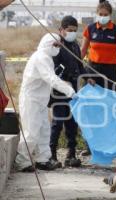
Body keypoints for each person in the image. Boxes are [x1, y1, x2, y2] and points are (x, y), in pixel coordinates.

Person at [15, 33, 76, 172]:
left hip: (40, 101)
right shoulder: (41, 57)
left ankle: (42, 160)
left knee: (44, 131)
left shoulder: (46, 58)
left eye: (59, 45)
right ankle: (23, 162)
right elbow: (51, 78)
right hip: (31, 100)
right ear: (47, 43)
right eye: (55, 45)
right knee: (31, 131)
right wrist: (69, 91)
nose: (57, 48)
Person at [80, 0, 116, 156]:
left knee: (109, 109)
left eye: (105, 15)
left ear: (110, 15)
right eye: (100, 14)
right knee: (92, 109)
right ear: (97, 14)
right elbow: (81, 53)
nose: (102, 17)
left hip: (110, 73)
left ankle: (111, 146)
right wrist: (78, 72)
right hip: (92, 72)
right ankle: (91, 146)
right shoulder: (90, 30)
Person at [48, 16, 87, 168]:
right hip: (59, 90)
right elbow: (52, 68)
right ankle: (51, 154)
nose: (71, 33)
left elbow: (80, 64)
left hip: (73, 90)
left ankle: (71, 154)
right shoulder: (56, 45)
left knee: (72, 122)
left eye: (74, 31)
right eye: (69, 31)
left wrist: (87, 77)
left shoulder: (75, 45)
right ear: (61, 30)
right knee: (58, 122)